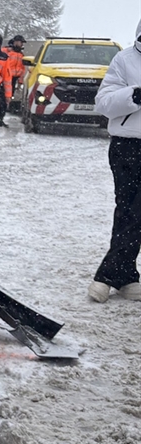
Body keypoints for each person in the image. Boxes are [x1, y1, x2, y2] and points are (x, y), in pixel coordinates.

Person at [88, 19, 141, 302]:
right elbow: (104, 103)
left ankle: (112, 274)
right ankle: (123, 275)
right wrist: (134, 95)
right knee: (128, 209)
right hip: (128, 145)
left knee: (136, 211)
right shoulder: (124, 60)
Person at [0, 35, 27, 125]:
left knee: (7, 99)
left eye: (21, 43)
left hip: (13, 80)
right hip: (3, 78)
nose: (20, 44)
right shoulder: (6, 51)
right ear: (15, 42)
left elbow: (22, 69)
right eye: (19, 42)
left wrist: (20, 81)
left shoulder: (21, 55)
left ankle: (0, 119)